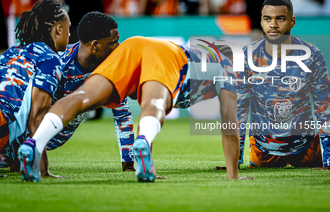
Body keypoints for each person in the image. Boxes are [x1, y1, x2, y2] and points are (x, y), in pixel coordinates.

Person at [18, 17, 246, 182]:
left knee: (82, 95)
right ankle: (143, 142)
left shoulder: (214, 57)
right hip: (168, 55)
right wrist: (233, 175)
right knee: (155, 103)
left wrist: (142, 166)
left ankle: (35, 143)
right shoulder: (230, 70)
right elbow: (229, 121)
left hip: (135, 44)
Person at [237, 0, 330, 168]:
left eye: (280, 19)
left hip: (305, 149)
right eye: (267, 19)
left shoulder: (312, 55)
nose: (273, 25)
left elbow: (324, 108)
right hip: (264, 151)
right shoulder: (246, 56)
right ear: (261, 21)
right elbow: (239, 110)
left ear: (292, 22)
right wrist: (234, 160)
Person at [46, 12, 134, 171]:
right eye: (114, 42)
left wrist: (128, 164)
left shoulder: (111, 71)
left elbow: (122, 115)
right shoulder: (56, 66)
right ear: (95, 45)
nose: (119, 47)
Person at [0, 0, 70, 177]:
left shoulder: (10, 52)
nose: (70, 35)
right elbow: (37, 118)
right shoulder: (50, 59)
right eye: (68, 28)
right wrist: (43, 170)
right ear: (58, 29)